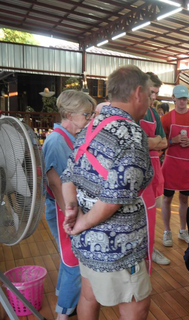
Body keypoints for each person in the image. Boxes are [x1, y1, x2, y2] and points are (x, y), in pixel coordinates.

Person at [62, 65, 154, 320]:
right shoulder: (132, 133)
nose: (149, 100)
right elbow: (115, 197)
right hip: (118, 246)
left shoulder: (93, 124)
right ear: (137, 93)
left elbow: (68, 175)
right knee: (136, 306)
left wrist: (72, 210)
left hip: (87, 243)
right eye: (148, 94)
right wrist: (79, 222)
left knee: (89, 296)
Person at [43, 90, 96, 319]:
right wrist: (73, 218)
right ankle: (63, 313)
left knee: (68, 259)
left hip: (70, 208)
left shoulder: (72, 137)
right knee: (74, 262)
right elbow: (55, 184)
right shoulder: (56, 140)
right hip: (63, 209)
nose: (89, 119)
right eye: (86, 114)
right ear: (69, 115)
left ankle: (63, 298)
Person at [160, 85, 189, 246]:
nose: (182, 101)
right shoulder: (166, 119)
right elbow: (160, 143)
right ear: (173, 98)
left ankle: (183, 230)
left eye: (184, 98)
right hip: (171, 164)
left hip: (188, 165)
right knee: (167, 198)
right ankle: (166, 231)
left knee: (185, 198)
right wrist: (173, 141)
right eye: (179, 98)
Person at [139, 72, 170, 266]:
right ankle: (141, 249)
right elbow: (135, 141)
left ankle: (150, 247)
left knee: (151, 213)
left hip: (154, 168)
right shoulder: (132, 111)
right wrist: (153, 142)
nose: (154, 97)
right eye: (151, 92)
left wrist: (152, 142)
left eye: (156, 93)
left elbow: (164, 142)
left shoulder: (154, 114)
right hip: (138, 169)